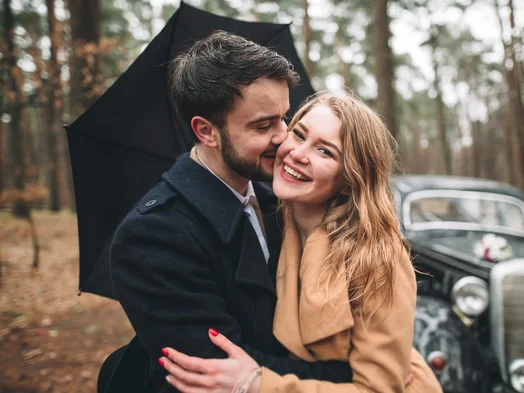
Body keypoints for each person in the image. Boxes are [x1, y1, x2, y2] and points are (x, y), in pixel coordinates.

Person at [105, 31, 439, 393]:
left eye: (286, 118)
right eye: (264, 126)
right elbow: (213, 372)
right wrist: (357, 378)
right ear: (207, 132)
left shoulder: (281, 203)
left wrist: (391, 363)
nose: (284, 138)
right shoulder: (154, 234)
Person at [157, 91, 442, 393]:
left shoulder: (377, 256)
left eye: (325, 152)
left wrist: (258, 384)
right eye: (299, 134)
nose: (298, 154)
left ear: (350, 177)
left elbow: (378, 388)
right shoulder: (269, 217)